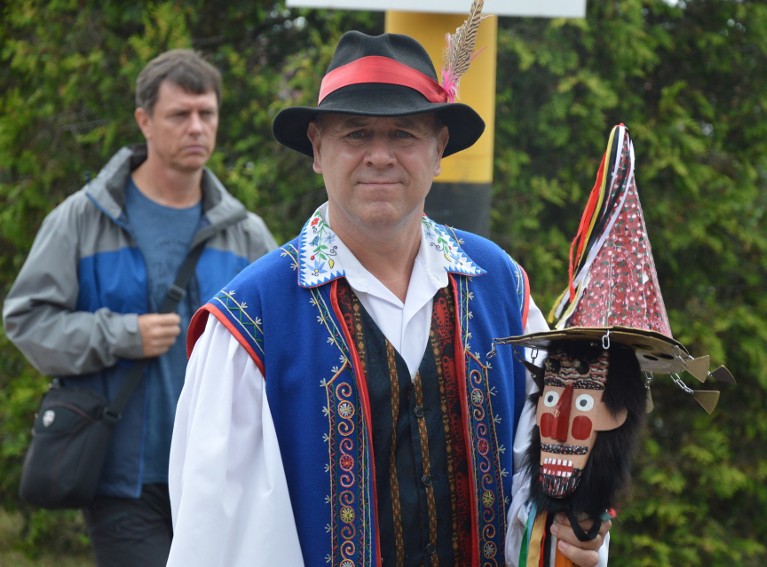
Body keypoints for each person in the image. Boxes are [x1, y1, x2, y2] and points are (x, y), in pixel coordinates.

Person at [166, 32, 609, 567]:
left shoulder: (500, 287)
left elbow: (544, 483)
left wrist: (577, 535)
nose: (380, 156)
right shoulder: (252, 321)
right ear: (316, 147)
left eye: (403, 133)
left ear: (439, 148)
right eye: (356, 134)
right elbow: (220, 537)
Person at [3, 49, 277, 567]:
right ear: (144, 121)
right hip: (124, 481)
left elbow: (282, 347)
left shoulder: (248, 235)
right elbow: (27, 319)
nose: (197, 127)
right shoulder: (82, 219)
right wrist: (120, 334)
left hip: (219, 478)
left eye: (207, 114)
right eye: (180, 115)